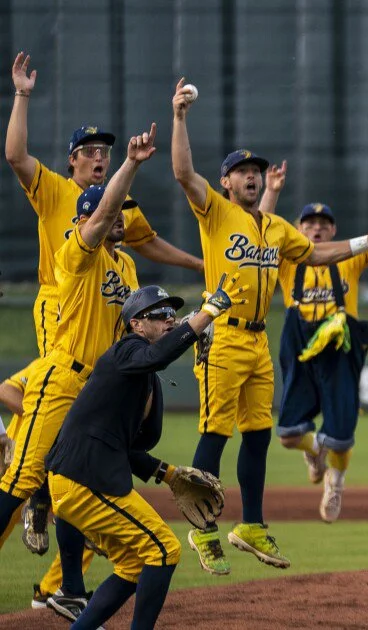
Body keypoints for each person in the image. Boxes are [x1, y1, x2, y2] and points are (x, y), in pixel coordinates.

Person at [170, 77, 368, 574]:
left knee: (260, 435)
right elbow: (183, 171)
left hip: (258, 341)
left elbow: (316, 254)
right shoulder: (216, 212)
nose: (251, 176)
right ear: (225, 182)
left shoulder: (274, 226)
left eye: (256, 171)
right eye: (242, 171)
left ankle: (252, 524)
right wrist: (179, 117)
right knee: (215, 434)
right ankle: (202, 530)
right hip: (221, 334)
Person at [6, 50, 202, 561]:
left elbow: (146, 240)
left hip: (97, 328)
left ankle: (62, 568)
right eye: (89, 150)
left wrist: (203, 268)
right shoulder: (57, 192)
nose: (99, 156)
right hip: (61, 304)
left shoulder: (120, 239)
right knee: (49, 403)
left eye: (104, 151)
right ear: (72, 159)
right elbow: (15, 155)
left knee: (87, 441)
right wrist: (23, 95)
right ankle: (36, 482)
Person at [0, 125, 155, 623]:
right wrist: (128, 165)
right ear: (87, 217)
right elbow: (102, 214)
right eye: (112, 213)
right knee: (22, 478)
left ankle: (68, 588)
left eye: (122, 214)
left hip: (95, 389)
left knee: (73, 482)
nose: (120, 220)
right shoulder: (76, 250)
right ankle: (40, 513)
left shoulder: (127, 267)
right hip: (60, 378)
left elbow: (138, 329)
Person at [44, 279, 243, 630]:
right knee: (165, 549)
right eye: (160, 314)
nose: (170, 318)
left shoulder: (142, 375)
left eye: (173, 314)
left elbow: (127, 446)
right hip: (84, 477)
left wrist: (169, 474)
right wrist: (206, 315)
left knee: (134, 566)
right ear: (136, 324)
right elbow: (158, 354)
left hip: (82, 478)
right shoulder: (126, 350)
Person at [274, 199, 368, 523]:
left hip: (338, 351)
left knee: (341, 431)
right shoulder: (285, 261)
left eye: (323, 223)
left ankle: (335, 482)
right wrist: (274, 191)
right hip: (300, 349)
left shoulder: (349, 260)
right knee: (289, 434)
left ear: (334, 230)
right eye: (309, 223)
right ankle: (313, 448)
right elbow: (259, 231)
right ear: (297, 229)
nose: (317, 228)